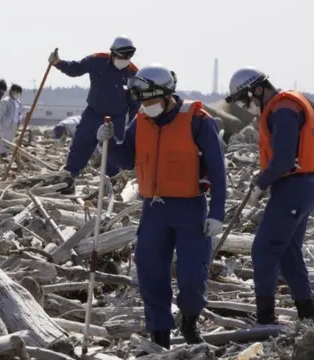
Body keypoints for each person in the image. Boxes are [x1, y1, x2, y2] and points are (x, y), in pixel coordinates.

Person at [97, 64, 226, 349]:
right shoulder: (141, 119)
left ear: (168, 95)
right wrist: (107, 143)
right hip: (154, 210)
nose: (146, 106)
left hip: (191, 209)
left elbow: (217, 170)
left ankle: (190, 319)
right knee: (149, 271)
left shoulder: (198, 120)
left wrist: (218, 212)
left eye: (151, 100)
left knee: (192, 278)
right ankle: (160, 338)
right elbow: (127, 159)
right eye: (142, 101)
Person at [226, 66, 314, 325]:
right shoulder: (286, 106)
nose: (246, 106)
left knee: (264, 250)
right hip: (302, 187)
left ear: (257, 90)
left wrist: (261, 183)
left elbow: (283, 160)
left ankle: (265, 318)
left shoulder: (283, 110)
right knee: (289, 253)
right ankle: (308, 316)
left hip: (293, 189)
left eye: (245, 100)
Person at [48, 36, 141, 193]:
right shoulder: (97, 60)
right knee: (80, 145)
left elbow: (135, 105)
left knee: (114, 153)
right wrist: (58, 63)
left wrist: (132, 127)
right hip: (93, 114)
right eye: (121, 55)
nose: (124, 59)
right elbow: (75, 69)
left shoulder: (133, 73)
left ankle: (111, 188)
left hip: (116, 119)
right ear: (113, 53)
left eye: (128, 56)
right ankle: (69, 180)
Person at [0, 84, 23, 157]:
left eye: (19, 93)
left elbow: (19, 113)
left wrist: (20, 119)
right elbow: (0, 112)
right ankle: (1, 155)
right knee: (4, 140)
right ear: (12, 91)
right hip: (5, 124)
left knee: (10, 140)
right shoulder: (6, 101)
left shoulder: (18, 102)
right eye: (17, 92)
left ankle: (6, 154)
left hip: (14, 124)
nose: (18, 94)